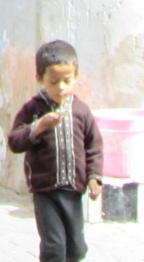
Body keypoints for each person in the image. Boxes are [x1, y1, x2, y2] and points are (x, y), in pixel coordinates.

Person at [7, 39, 104, 262]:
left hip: (73, 190)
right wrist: (38, 126)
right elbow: (14, 141)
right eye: (53, 82)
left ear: (76, 77)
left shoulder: (81, 111)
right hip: (45, 190)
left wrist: (94, 178)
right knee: (54, 246)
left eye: (67, 81)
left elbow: (94, 145)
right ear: (39, 79)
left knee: (76, 248)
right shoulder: (33, 109)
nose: (61, 87)